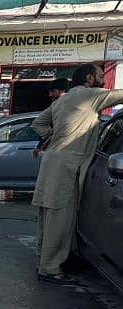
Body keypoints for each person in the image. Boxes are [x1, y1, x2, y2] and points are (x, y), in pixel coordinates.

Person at [31, 64, 123, 284]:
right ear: (90, 78)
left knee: (49, 215)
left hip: (52, 161)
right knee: (60, 217)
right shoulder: (90, 96)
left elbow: (38, 123)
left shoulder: (62, 100)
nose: (103, 79)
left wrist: (53, 136)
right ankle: (50, 269)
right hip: (66, 164)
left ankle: (46, 261)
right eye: (101, 76)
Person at [34, 78, 70, 159]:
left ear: (62, 91)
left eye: (53, 91)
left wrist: (52, 136)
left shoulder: (64, 105)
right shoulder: (55, 105)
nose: (50, 94)